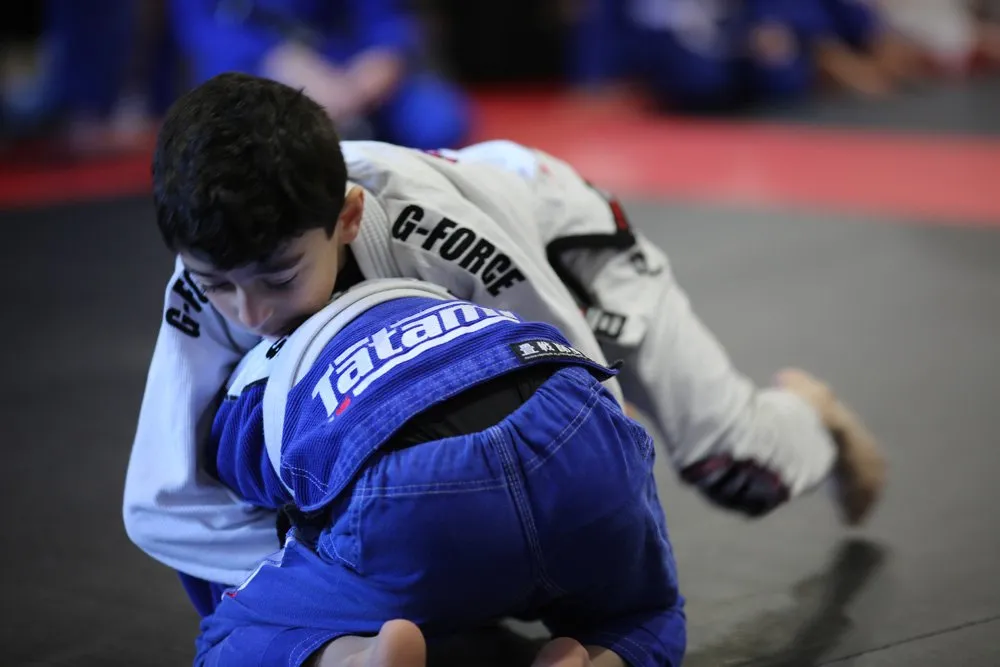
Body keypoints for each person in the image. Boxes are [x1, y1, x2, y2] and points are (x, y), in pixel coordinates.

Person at [124, 72, 885, 612]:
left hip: (558, 240)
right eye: (218, 284)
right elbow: (163, 502)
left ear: (348, 219)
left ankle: (811, 418)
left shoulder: (430, 228)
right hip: (442, 285)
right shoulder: (210, 273)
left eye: (280, 277)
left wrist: (621, 602)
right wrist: (321, 583)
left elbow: (586, 402)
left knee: (734, 467)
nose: (250, 312)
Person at [194, 278, 685, 667]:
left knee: (229, 636)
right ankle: (595, 658)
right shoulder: (449, 294)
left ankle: (356, 658)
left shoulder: (253, 377)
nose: (252, 314)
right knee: (648, 614)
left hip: (416, 495)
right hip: (571, 418)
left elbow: (213, 521)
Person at [169, 0, 469, 149]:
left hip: (350, 64)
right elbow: (202, 30)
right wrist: (271, 59)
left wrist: (384, 57)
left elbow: (388, 18)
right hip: (257, 70)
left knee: (438, 122)